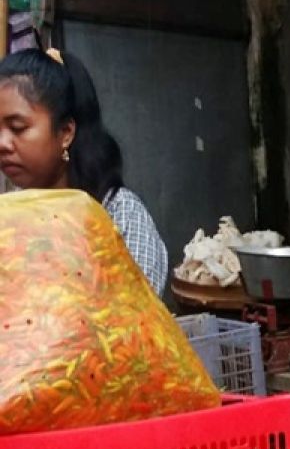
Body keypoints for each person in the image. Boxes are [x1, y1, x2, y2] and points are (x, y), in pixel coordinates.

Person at [0, 48, 168, 295]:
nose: (3, 142)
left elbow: (137, 321)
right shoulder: (10, 217)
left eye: (18, 128)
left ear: (66, 133)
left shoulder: (119, 214)